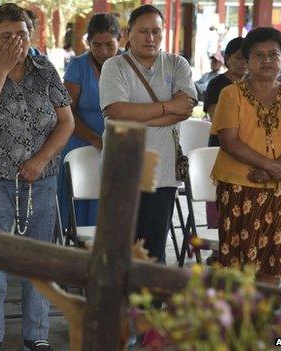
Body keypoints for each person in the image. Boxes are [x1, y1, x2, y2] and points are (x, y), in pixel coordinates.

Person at [0, 4, 74, 350]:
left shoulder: (45, 70)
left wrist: (41, 159)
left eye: (21, 35)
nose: (14, 42)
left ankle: (36, 334)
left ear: (31, 35)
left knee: (38, 261)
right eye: (5, 36)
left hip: (41, 178)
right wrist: (1, 70)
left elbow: (66, 122)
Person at [99, 4, 197, 263]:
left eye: (156, 31)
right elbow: (117, 111)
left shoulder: (177, 64)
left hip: (162, 173)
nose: (150, 38)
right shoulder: (114, 66)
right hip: (122, 171)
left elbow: (185, 109)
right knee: (121, 251)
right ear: (128, 33)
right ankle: (119, 304)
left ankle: (149, 305)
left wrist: (139, 116)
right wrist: (167, 108)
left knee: (153, 251)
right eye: (143, 31)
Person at [211, 27, 281, 286]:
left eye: (274, 54)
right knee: (238, 264)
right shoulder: (230, 94)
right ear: (246, 61)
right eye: (258, 55)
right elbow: (228, 141)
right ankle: (237, 321)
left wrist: (274, 169)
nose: (267, 60)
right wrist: (269, 165)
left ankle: (261, 322)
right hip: (239, 188)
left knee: (273, 260)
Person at [58, 13, 121, 231]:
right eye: (97, 45)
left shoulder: (128, 66)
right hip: (82, 143)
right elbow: (67, 112)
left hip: (118, 146)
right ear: (89, 43)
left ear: (119, 40)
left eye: (109, 45)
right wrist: (95, 139)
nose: (103, 51)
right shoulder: (78, 66)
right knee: (84, 208)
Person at [202, 37, 247, 235]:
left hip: (249, 152)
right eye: (239, 57)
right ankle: (217, 246)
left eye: (247, 58)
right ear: (227, 58)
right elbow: (216, 118)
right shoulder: (216, 84)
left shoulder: (257, 85)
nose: (243, 62)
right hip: (221, 148)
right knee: (217, 198)